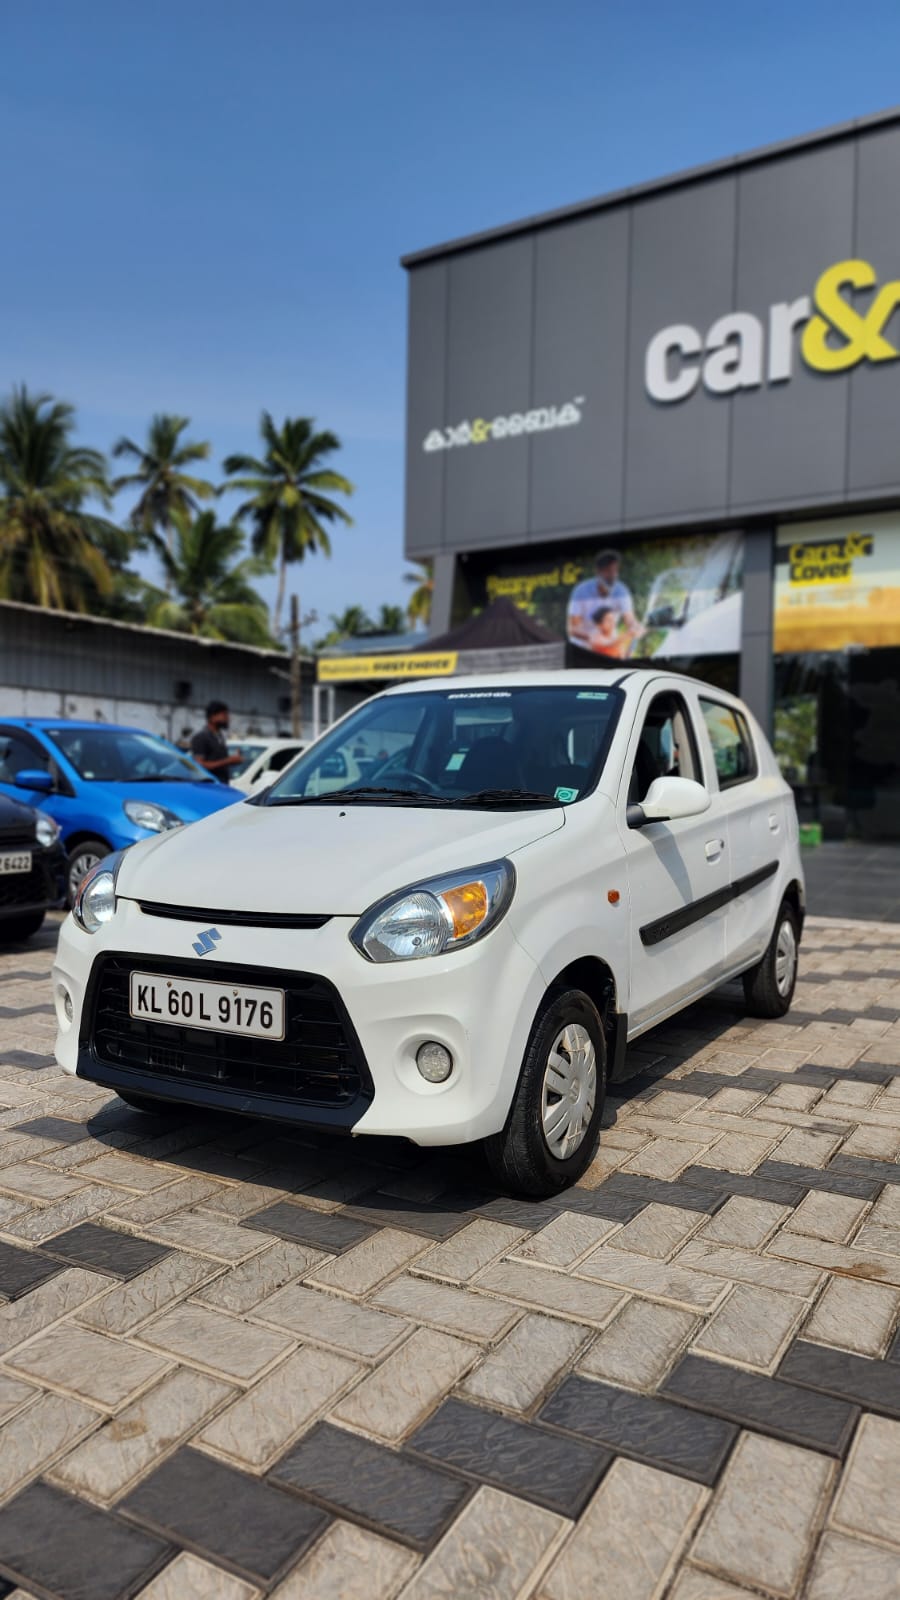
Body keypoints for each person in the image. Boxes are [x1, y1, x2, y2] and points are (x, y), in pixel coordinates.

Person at [566, 550, 645, 653]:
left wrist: (635, 628)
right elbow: (573, 628)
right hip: (583, 648)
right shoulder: (580, 591)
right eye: (608, 571)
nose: (613, 575)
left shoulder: (622, 591)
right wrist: (593, 639)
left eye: (615, 570)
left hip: (610, 648)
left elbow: (629, 619)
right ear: (598, 571)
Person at [190, 701, 243, 783]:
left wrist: (233, 760)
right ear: (212, 717)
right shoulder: (201, 737)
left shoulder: (219, 736)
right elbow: (199, 765)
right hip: (209, 787)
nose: (227, 718)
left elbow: (218, 761)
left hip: (222, 785)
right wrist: (228, 760)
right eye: (224, 715)